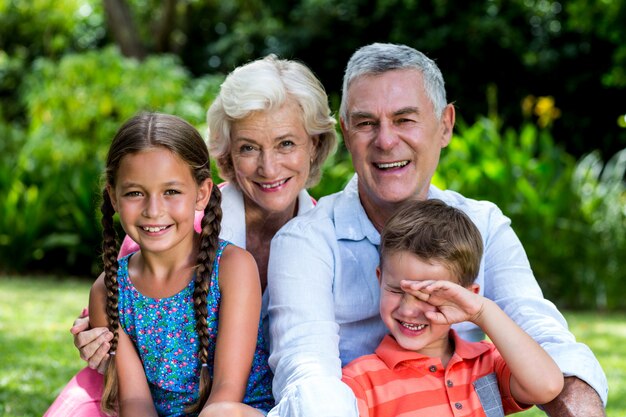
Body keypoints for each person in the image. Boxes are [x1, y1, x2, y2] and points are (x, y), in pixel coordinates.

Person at [266, 42, 608, 417]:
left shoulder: (483, 225)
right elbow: (308, 374)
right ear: (346, 133)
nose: (385, 140)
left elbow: (546, 340)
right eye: (366, 123)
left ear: (445, 125)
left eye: (404, 119)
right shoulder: (307, 241)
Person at [43, 54, 337, 417]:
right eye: (248, 147)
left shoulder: (330, 237)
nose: (269, 166)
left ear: (316, 145)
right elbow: (133, 392)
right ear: (226, 153)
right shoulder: (156, 240)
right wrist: (96, 337)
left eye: (287, 144)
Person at [89, 111, 273, 416]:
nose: (153, 210)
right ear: (114, 197)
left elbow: (227, 392)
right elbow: (135, 404)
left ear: (201, 193)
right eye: (135, 193)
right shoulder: (107, 292)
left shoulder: (233, 268)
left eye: (171, 192)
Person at [341, 198, 564, 416]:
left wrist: (482, 311)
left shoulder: (486, 363)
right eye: (397, 291)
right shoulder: (361, 381)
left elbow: (547, 386)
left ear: (468, 296)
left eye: (428, 296)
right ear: (380, 280)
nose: (408, 309)